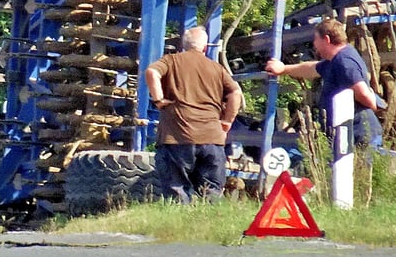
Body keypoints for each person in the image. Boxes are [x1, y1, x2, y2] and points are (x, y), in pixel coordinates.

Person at [145, 25, 244, 203]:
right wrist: (227, 122)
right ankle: (208, 229)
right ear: (205, 48)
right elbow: (236, 93)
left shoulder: (171, 61)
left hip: (177, 138)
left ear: (183, 45)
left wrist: (158, 99)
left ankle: (177, 227)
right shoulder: (217, 69)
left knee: (177, 193)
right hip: (211, 139)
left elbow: (152, 71)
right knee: (211, 194)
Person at [264, 18, 383, 147]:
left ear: (326, 39)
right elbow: (311, 68)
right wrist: (283, 69)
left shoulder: (345, 63)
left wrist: (372, 101)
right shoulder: (335, 60)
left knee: (357, 167)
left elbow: (364, 95)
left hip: (359, 136)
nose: (314, 45)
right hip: (347, 137)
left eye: (316, 40)